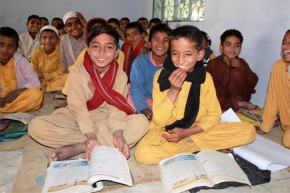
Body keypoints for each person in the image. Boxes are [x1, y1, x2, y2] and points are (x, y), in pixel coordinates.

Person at [133, 25, 256, 165]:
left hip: (196, 130)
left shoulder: (205, 78)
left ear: (200, 55)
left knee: (249, 131)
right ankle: (206, 146)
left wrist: (187, 134)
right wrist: (173, 90)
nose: (180, 60)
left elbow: (214, 115)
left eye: (187, 54)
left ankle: (192, 145)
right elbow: (160, 121)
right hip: (166, 130)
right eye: (175, 53)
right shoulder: (161, 77)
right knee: (143, 154)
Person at [28, 24, 149, 161]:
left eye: (109, 47)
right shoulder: (77, 72)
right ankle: (95, 142)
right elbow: (77, 109)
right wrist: (91, 135)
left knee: (142, 123)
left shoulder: (120, 75)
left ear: (116, 53)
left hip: (107, 120)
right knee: (35, 126)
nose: (102, 53)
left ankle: (81, 146)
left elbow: (117, 110)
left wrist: (118, 134)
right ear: (88, 50)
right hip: (77, 119)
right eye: (96, 46)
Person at [206, 29, 258, 112]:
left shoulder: (241, 62)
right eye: (228, 45)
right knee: (208, 97)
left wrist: (241, 68)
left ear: (240, 48)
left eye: (237, 45)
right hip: (221, 98)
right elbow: (207, 87)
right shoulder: (213, 64)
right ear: (221, 47)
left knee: (237, 72)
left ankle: (238, 103)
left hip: (240, 96)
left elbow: (253, 82)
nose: (232, 48)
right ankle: (241, 104)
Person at [256, 29, 290, 148]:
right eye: (284, 42)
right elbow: (273, 98)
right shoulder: (278, 67)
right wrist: (264, 127)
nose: (285, 46)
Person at [130, 24, 171, 120]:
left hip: (166, 102)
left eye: (165, 40)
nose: (161, 44)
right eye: (156, 39)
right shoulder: (140, 62)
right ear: (149, 42)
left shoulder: (174, 63)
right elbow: (137, 89)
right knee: (129, 93)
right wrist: (144, 108)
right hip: (145, 99)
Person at [0, 27, 43, 114]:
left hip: (17, 98)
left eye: (10, 46)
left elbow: (36, 83)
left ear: (16, 48)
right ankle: (11, 110)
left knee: (37, 95)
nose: (5, 49)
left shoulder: (22, 62)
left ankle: (5, 110)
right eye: (1, 44)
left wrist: (17, 92)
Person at [31, 25, 68, 92]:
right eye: (45, 38)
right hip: (41, 81)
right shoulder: (36, 52)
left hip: (56, 79)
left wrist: (44, 75)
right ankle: (48, 88)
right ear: (40, 40)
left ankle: (47, 89)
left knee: (68, 77)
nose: (48, 41)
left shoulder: (61, 52)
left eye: (51, 38)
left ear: (57, 40)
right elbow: (34, 71)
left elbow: (60, 71)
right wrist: (39, 77)